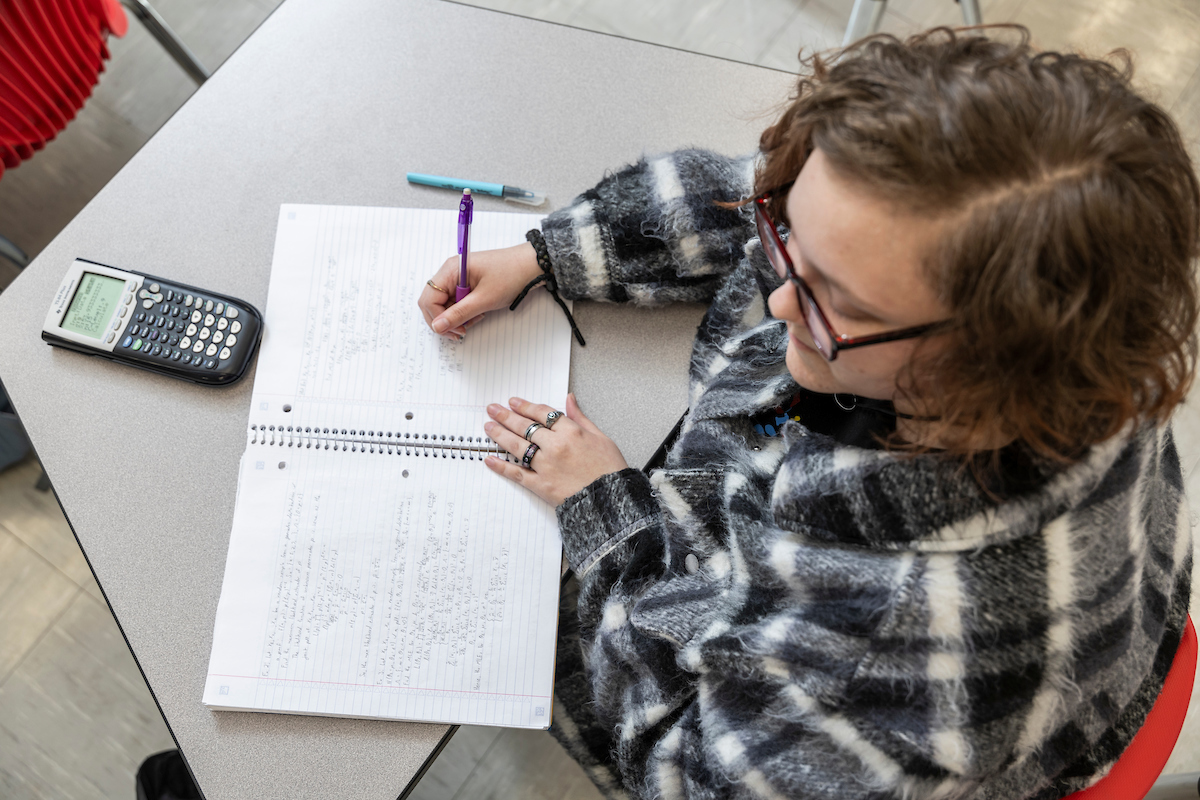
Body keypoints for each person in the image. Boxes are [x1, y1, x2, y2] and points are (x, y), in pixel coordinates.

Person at [417, 26, 1197, 800]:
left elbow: (687, 773)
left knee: (476, 623)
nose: (782, 297)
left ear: (990, 358)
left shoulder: (895, 639)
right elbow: (777, 202)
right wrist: (549, 253)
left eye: (837, 301)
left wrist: (609, 518)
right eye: (789, 232)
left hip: (892, 700)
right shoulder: (1070, 301)